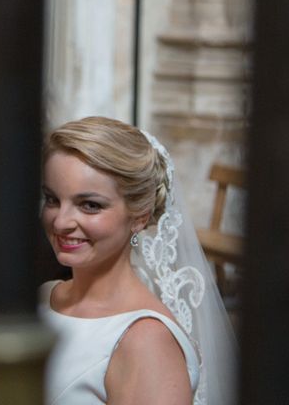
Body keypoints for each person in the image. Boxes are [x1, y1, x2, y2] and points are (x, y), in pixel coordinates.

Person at [39, 116, 237, 405]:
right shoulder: (44, 296)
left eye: (90, 205)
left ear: (139, 216)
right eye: (52, 200)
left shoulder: (147, 341)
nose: (62, 221)